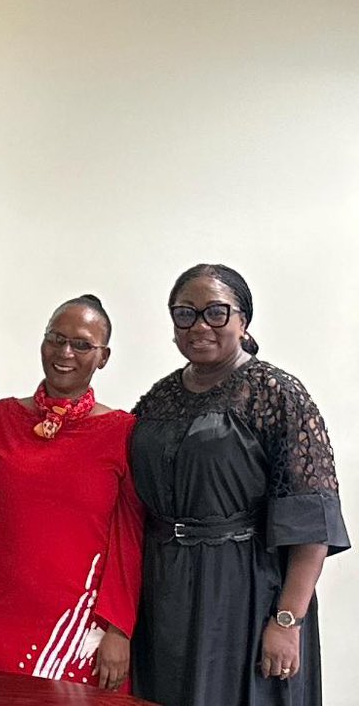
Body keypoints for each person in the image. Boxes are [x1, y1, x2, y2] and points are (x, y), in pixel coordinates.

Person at [130, 264, 350, 706]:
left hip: (245, 592)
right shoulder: (158, 397)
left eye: (216, 312)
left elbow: (313, 523)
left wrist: (287, 621)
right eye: (185, 314)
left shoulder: (276, 393)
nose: (199, 326)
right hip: (163, 589)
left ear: (242, 320)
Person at [0, 295, 143, 692]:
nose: (65, 352)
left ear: (103, 357)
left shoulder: (124, 432)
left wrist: (118, 630)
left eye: (82, 344)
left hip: (83, 631)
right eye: (55, 338)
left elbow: (130, 541)